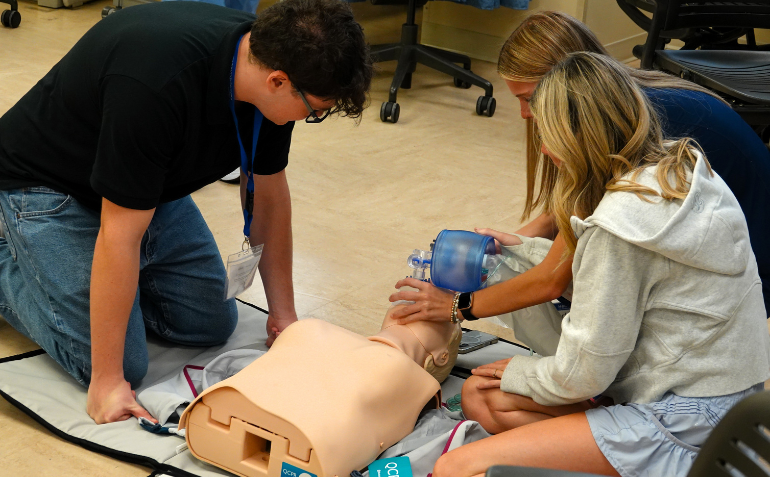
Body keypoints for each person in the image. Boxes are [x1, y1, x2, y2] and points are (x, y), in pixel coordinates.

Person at [0, 0, 372, 424]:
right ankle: (11, 249)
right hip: (47, 188)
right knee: (124, 363)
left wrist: (283, 317)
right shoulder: (154, 85)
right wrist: (106, 382)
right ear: (277, 81)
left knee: (210, 323)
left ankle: (81, 279)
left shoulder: (273, 61)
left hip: (148, 189)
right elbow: (119, 235)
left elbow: (267, 196)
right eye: (315, 111)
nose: (311, 118)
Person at [432, 51, 770, 477]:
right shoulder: (678, 165)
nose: (542, 147)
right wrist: (521, 249)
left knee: (457, 467)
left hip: (685, 418)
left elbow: (583, 373)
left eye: (546, 134)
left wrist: (523, 369)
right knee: (483, 397)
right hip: (727, 398)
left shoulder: (622, 225)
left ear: (573, 138)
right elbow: (607, 281)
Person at [388, 12, 770, 354]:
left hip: (742, 283)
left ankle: (585, 388)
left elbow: (552, 279)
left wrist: (458, 306)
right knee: (521, 262)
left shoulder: (651, 120)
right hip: (721, 262)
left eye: (531, 99)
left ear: (572, 83)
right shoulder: (625, 104)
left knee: (561, 296)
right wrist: (501, 247)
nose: (524, 115)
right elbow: (572, 207)